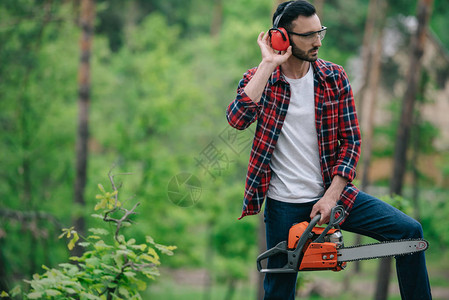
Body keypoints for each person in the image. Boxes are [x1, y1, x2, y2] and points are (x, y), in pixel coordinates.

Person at [226, 1, 432, 299]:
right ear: (282, 37)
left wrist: (331, 196)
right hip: (283, 205)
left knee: (409, 232)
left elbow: (351, 142)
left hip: (333, 195)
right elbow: (237, 119)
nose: (318, 41)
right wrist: (268, 63)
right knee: (279, 290)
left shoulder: (334, 77)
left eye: (319, 31)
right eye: (308, 35)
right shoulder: (261, 80)